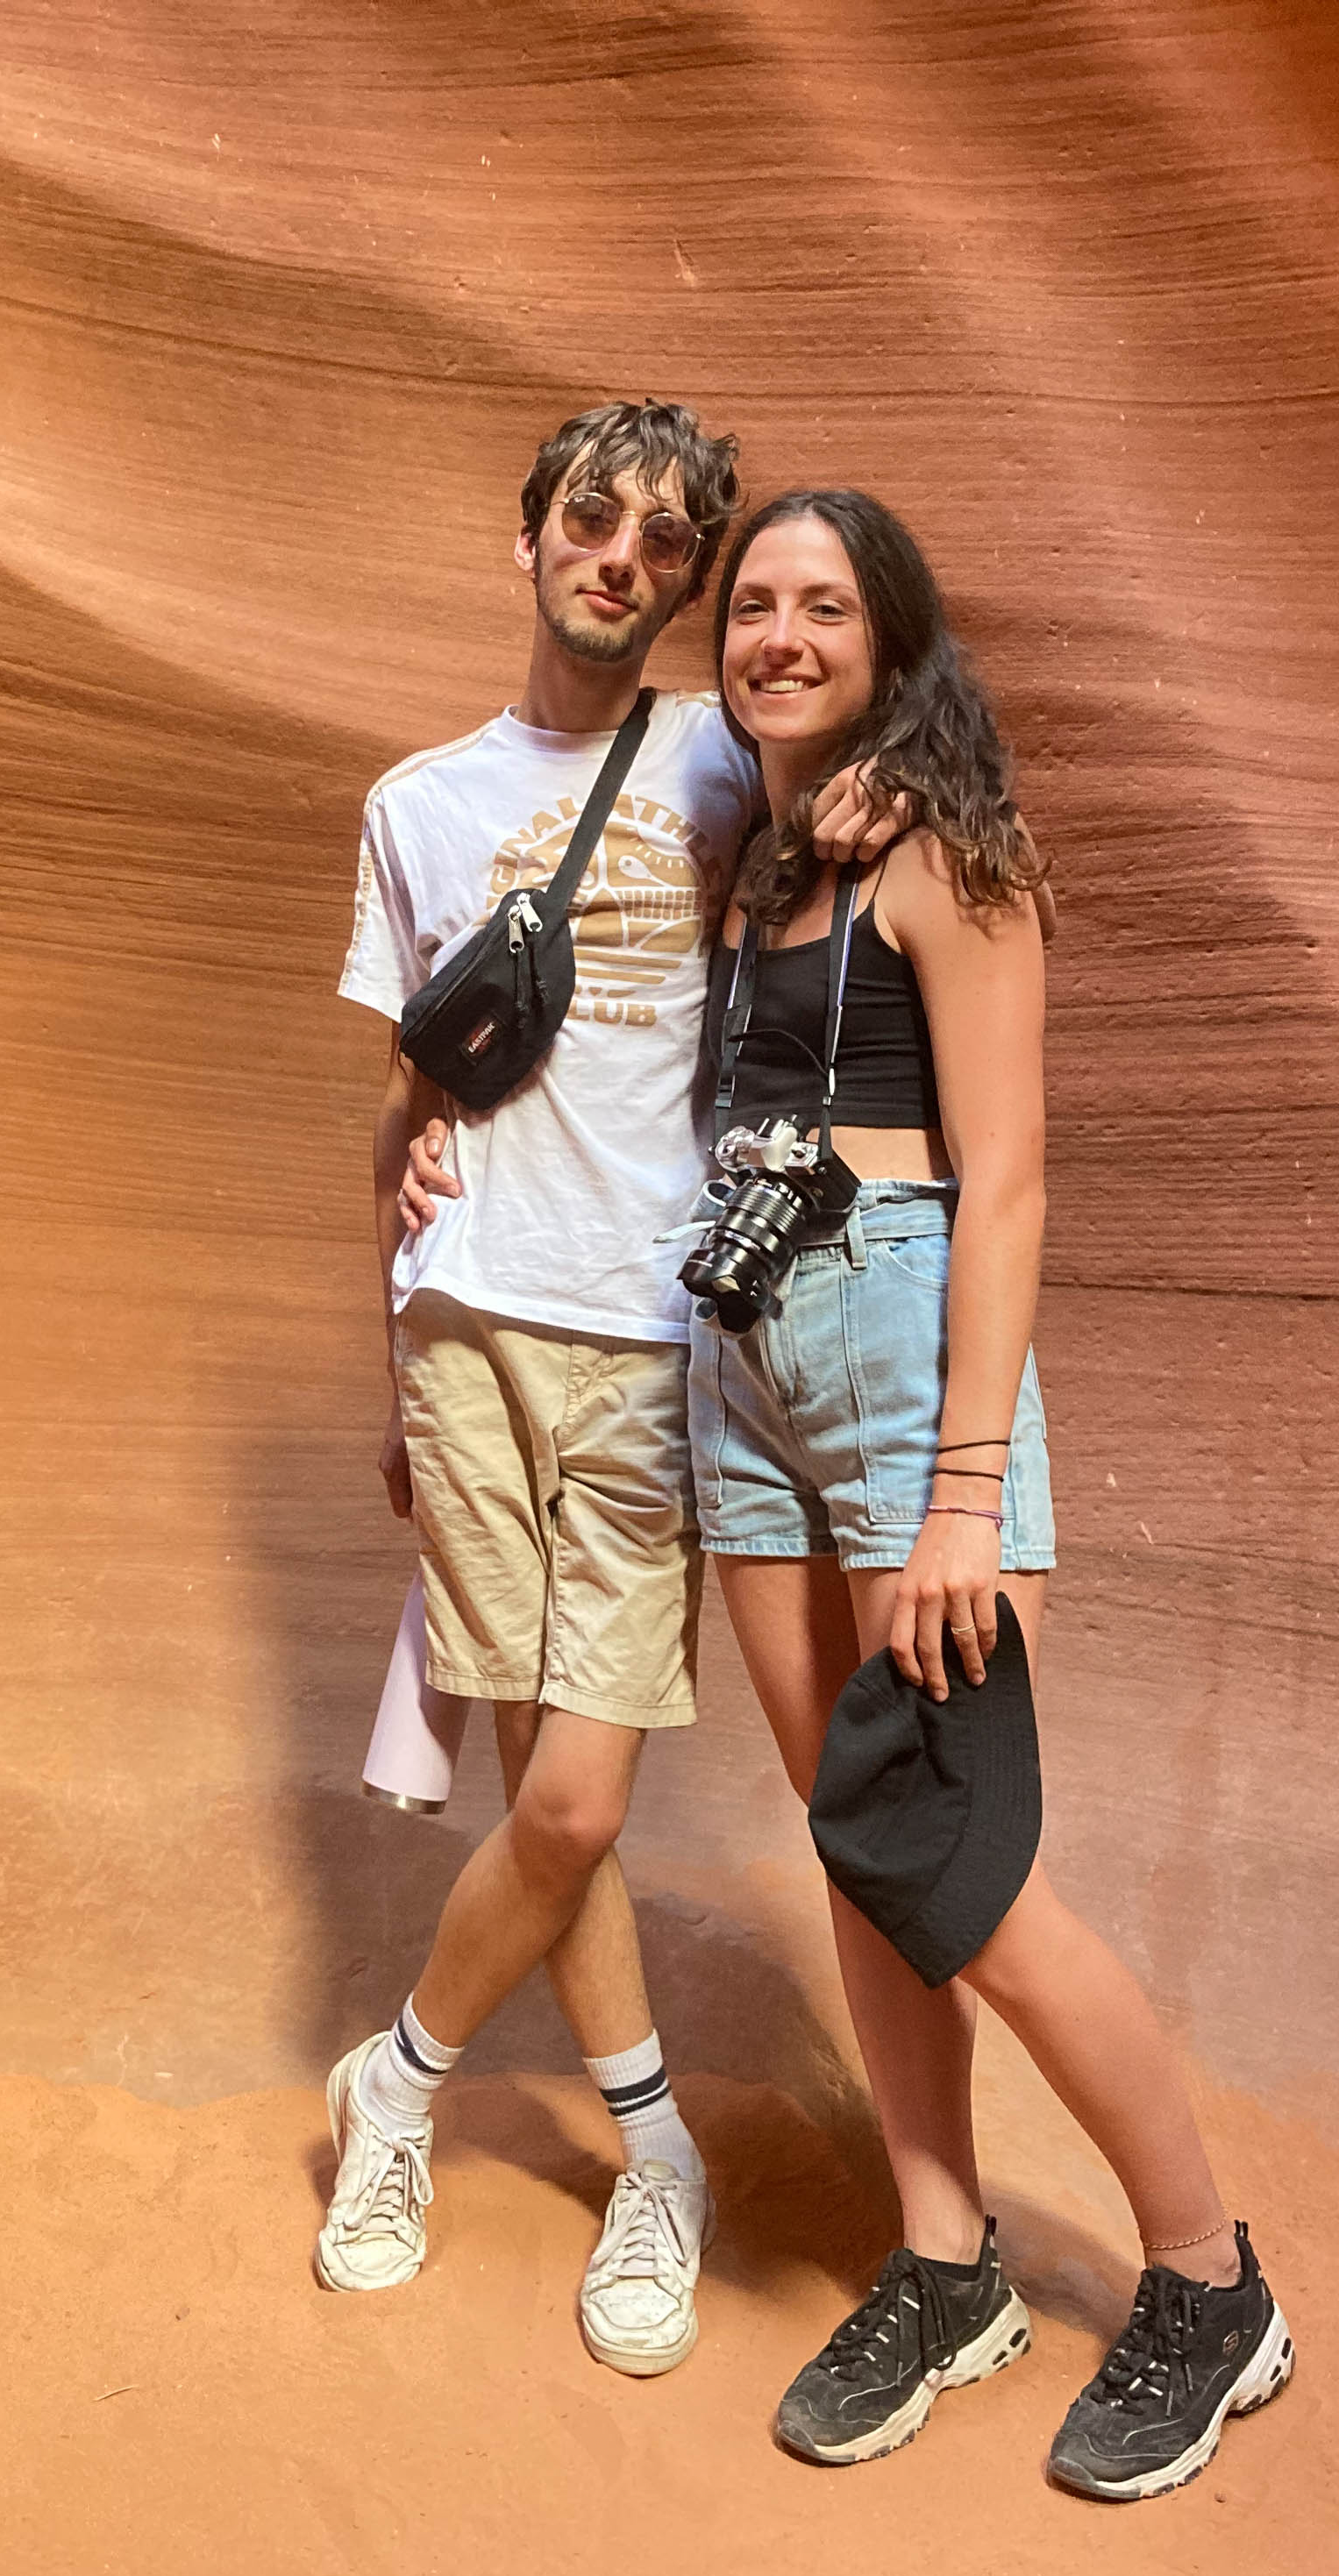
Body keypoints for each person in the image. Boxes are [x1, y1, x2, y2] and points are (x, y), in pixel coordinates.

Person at [691, 487, 1294, 2494]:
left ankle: (1210, 2282)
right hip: (744, 1376)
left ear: (890, 643)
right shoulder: (759, 867)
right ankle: (942, 2264)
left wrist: (965, 1492)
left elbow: (1009, 1177)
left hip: (893, 1372)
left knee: (968, 1875)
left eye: (822, 608)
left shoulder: (940, 860)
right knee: (859, 1850)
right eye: (752, 605)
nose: (776, 633)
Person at [324, 401, 893, 2375]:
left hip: (658, 1345)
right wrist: (384, 1363)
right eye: (591, 523)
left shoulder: (725, 754)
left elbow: (868, 764)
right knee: (533, 1802)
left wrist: (887, 799)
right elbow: (402, 1097)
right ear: (529, 539)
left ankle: (396, 2082)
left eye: (666, 545)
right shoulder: (413, 805)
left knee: (570, 1803)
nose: (623, 563)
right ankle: (655, 2158)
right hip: (466, 1328)